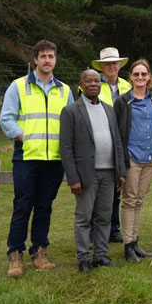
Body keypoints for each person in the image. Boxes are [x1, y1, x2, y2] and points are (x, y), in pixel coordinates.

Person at [0, 40, 73, 278]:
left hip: (54, 160)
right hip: (27, 157)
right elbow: (6, 118)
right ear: (35, 59)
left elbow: (71, 122)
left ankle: (40, 252)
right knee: (23, 206)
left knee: (44, 206)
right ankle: (15, 254)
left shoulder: (64, 90)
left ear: (55, 60)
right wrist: (24, 137)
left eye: (51, 56)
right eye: (43, 56)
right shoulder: (18, 86)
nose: (47, 60)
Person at [60, 70, 126, 272]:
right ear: (81, 84)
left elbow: (117, 141)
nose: (93, 84)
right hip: (85, 174)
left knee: (105, 216)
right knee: (83, 217)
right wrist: (73, 178)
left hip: (108, 173)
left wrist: (120, 171)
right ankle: (84, 258)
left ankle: (100, 255)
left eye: (96, 81)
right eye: (88, 81)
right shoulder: (71, 111)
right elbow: (66, 147)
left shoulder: (108, 109)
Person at [114, 59, 152, 263]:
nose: (140, 78)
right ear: (131, 77)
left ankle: (135, 242)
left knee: (140, 200)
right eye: (136, 74)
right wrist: (120, 162)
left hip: (151, 157)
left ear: (149, 77)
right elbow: (117, 133)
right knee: (129, 200)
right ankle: (128, 245)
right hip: (131, 157)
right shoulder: (123, 101)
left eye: (144, 74)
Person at [88, 47, 131, 243]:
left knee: (116, 188)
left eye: (115, 63)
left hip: (121, 142)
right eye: (107, 64)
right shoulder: (92, 84)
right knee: (95, 190)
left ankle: (113, 229)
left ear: (119, 65)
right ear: (102, 67)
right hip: (100, 142)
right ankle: (92, 230)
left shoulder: (126, 85)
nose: (112, 66)